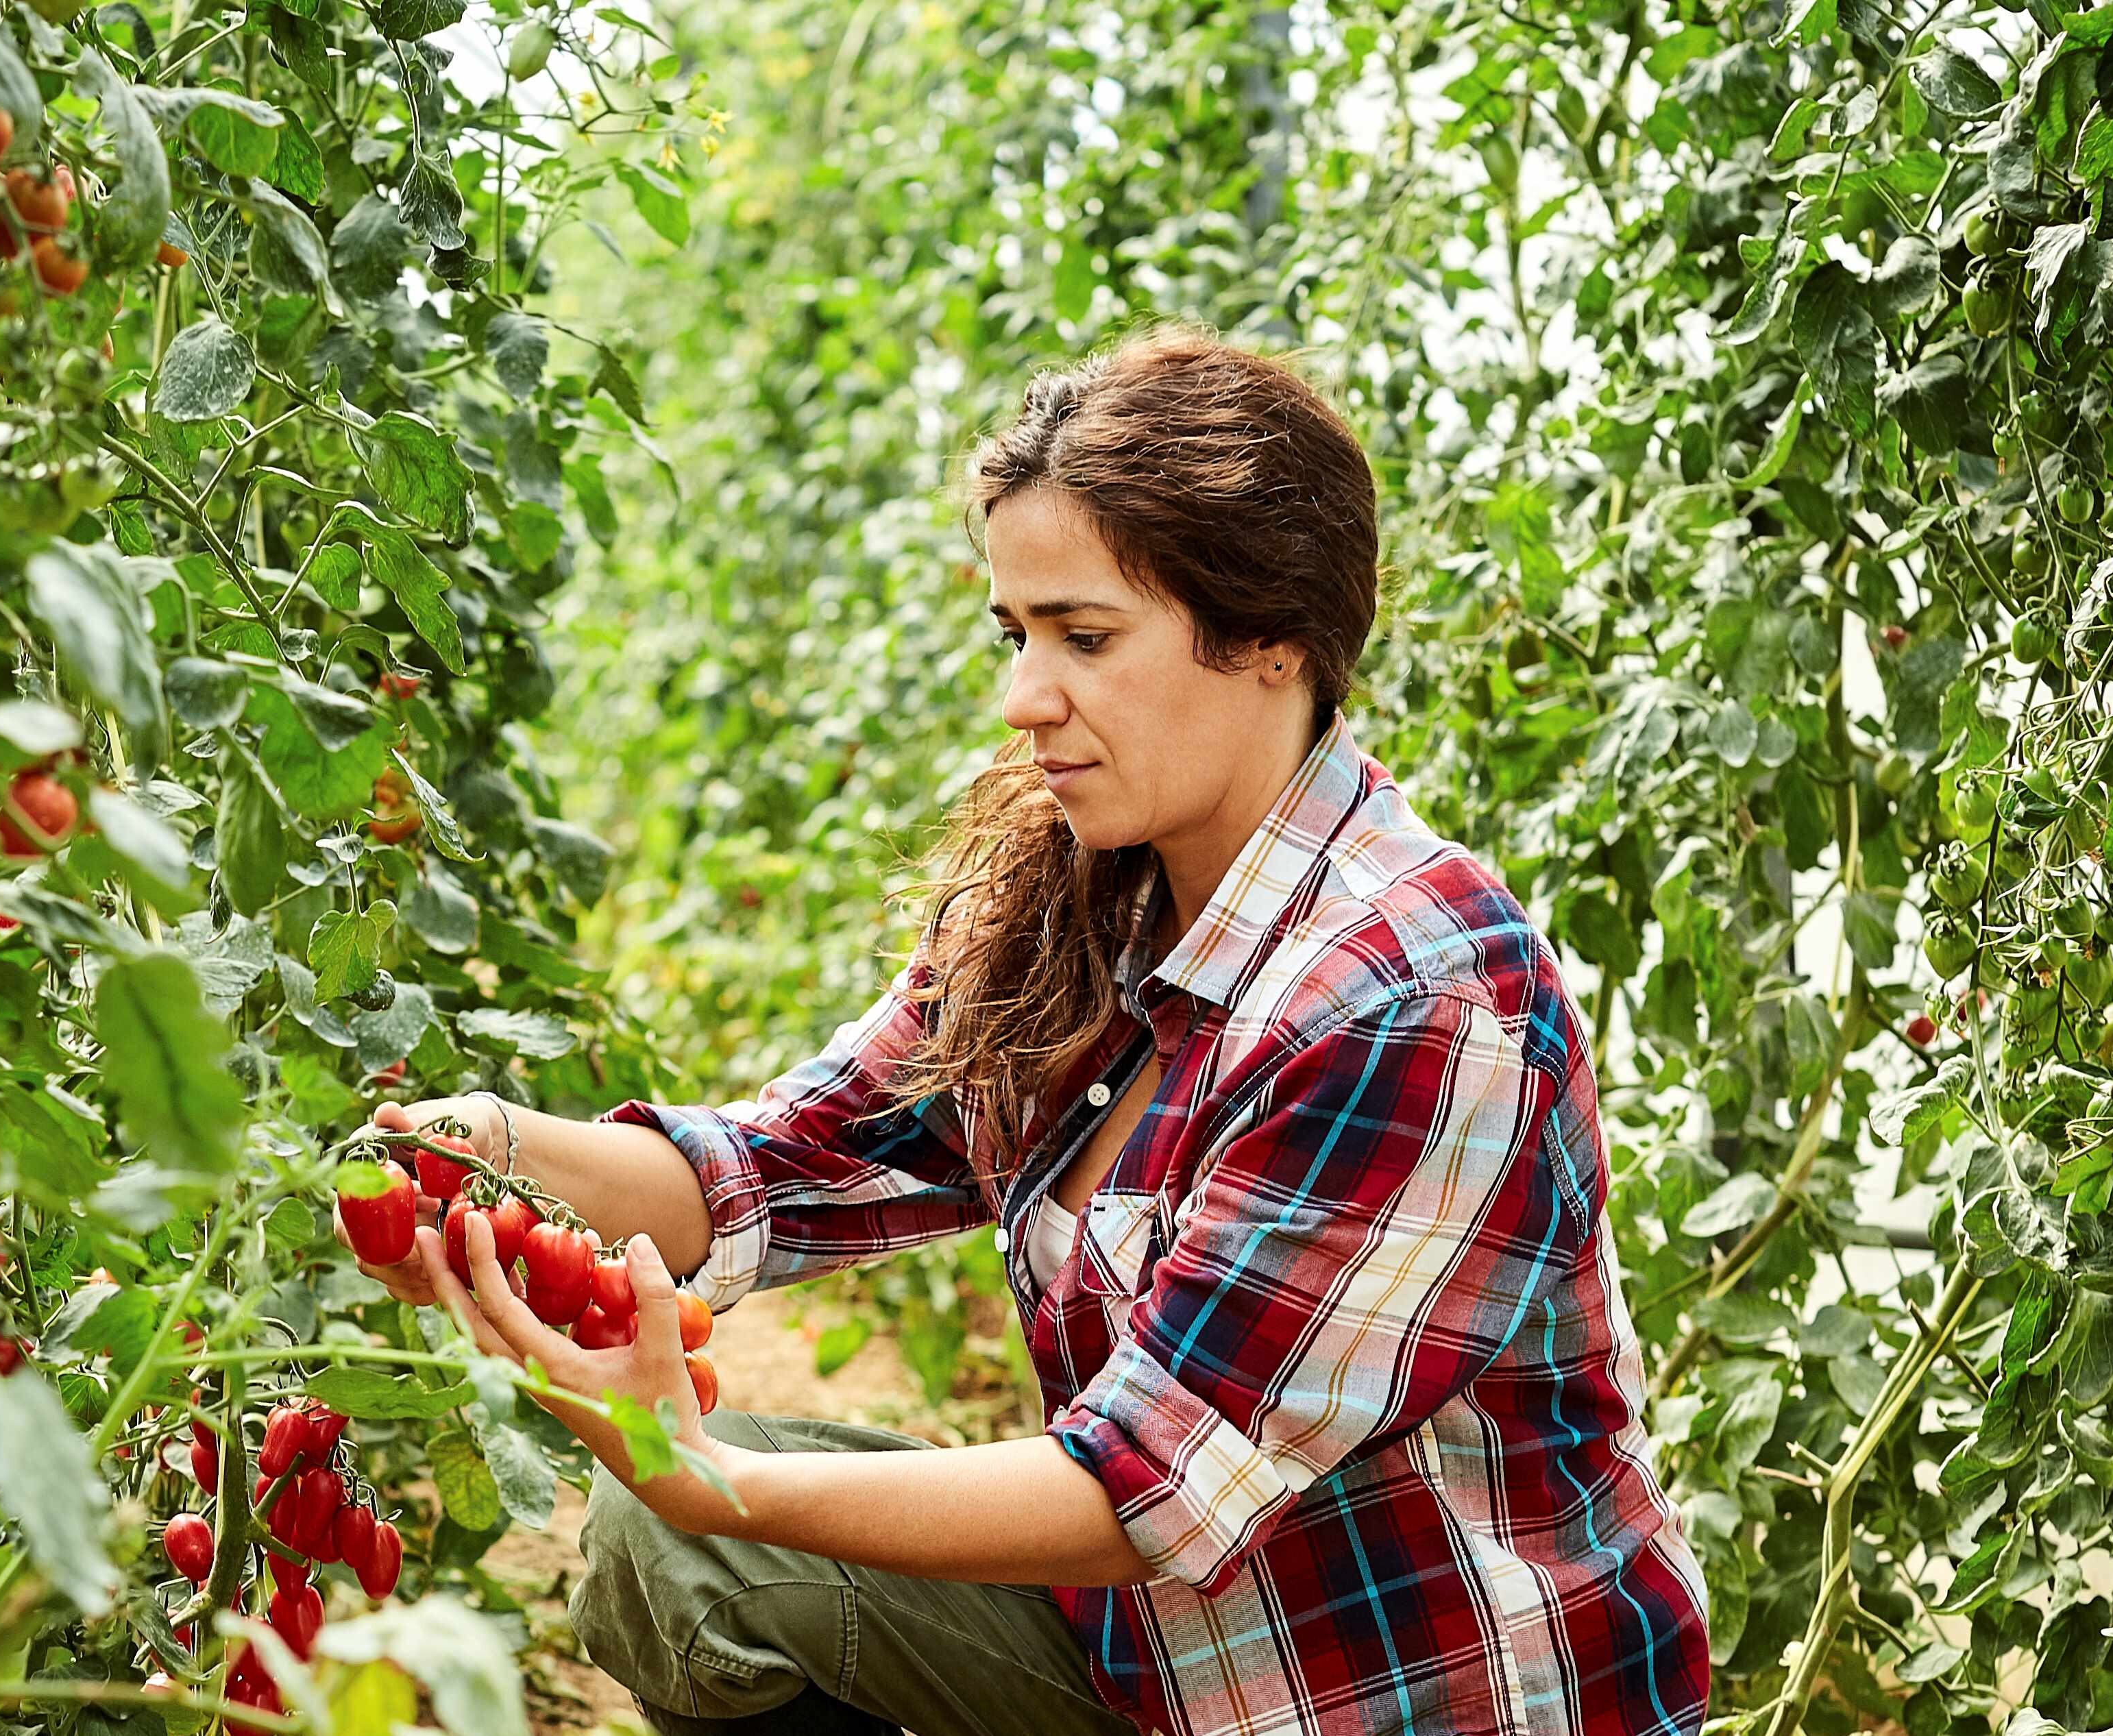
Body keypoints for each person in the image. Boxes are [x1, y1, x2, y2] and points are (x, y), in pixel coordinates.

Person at [354, 323, 1711, 1736]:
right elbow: (778, 1163)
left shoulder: (1413, 997)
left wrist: (700, 1467)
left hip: (1407, 1708)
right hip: (1161, 1677)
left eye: (1085, 636)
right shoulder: (1082, 907)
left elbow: (1143, 1487)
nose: (1024, 697)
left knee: (699, 1515)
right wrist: (489, 1156)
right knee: (684, 1558)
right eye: (1016, 634)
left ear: (1270, 638)